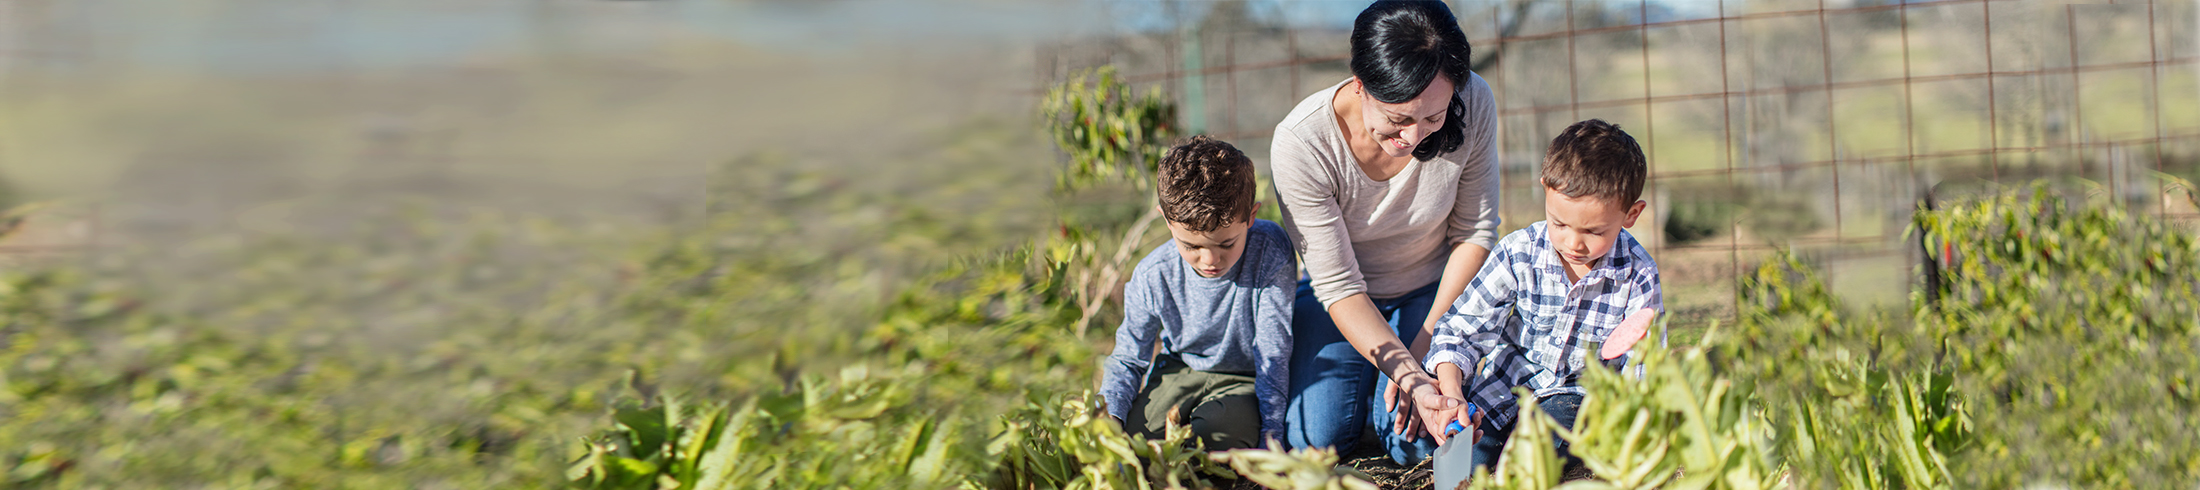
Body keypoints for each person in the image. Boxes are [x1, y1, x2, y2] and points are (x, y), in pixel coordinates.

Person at [1270, 0, 1501, 463]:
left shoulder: (1475, 99)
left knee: (1417, 440)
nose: (1414, 137)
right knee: (1315, 439)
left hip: (1436, 291)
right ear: (1360, 84)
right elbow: (1338, 286)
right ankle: (1371, 393)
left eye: (1433, 118)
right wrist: (1411, 376)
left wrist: (1431, 341)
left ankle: (1381, 403)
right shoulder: (1302, 144)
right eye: (1398, 119)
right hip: (1344, 301)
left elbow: (1474, 233)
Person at [1423, 119, 1663, 471]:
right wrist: (1453, 395)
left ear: (1631, 214)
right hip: (1505, 389)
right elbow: (1462, 329)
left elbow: (1641, 364)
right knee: (1465, 462)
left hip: (1576, 400)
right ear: (1545, 191)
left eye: (1594, 231)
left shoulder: (1637, 274)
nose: (1573, 243)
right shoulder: (1519, 252)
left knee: (1535, 459)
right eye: (1559, 223)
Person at [1099, 136, 1297, 450]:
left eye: (1226, 244)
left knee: (1215, 438)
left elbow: (1274, 350)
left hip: (1244, 376)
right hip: (1178, 370)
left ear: (1251, 217)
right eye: (1191, 246)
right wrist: (1109, 417)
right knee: (1138, 444)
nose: (1210, 260)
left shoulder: (1269, 252)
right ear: (1167, 220)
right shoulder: (1153, 274)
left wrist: (1270, 437)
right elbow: (1128, 357)